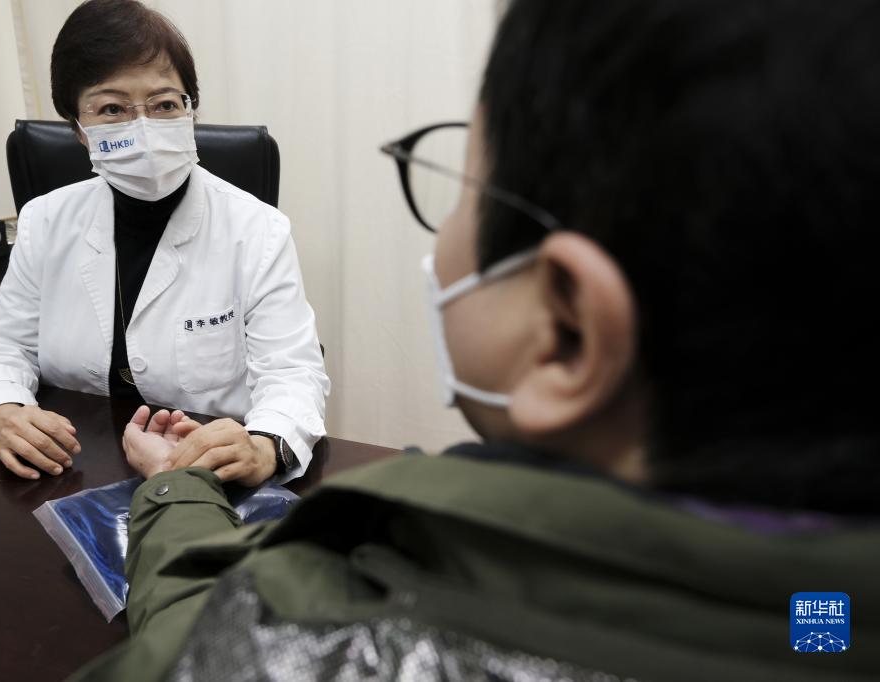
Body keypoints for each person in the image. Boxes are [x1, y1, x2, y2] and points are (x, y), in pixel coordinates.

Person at [75, 0, 880, 679]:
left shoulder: (359, 616)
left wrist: (176, 489)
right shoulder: (824, 619)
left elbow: (199, 643)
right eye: (111, 108)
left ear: (567, 333)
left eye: (466, 188)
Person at [0, 0, 329, 487]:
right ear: (77, 129)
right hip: (73, 465)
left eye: (165, 104)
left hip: (208, 470)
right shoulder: (45, 219)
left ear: (190, 111)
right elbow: (2, 343)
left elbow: (293, 371)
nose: (143, 126)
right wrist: (0, 406)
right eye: (112, 109)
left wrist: (265, 443)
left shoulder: (257, 229)